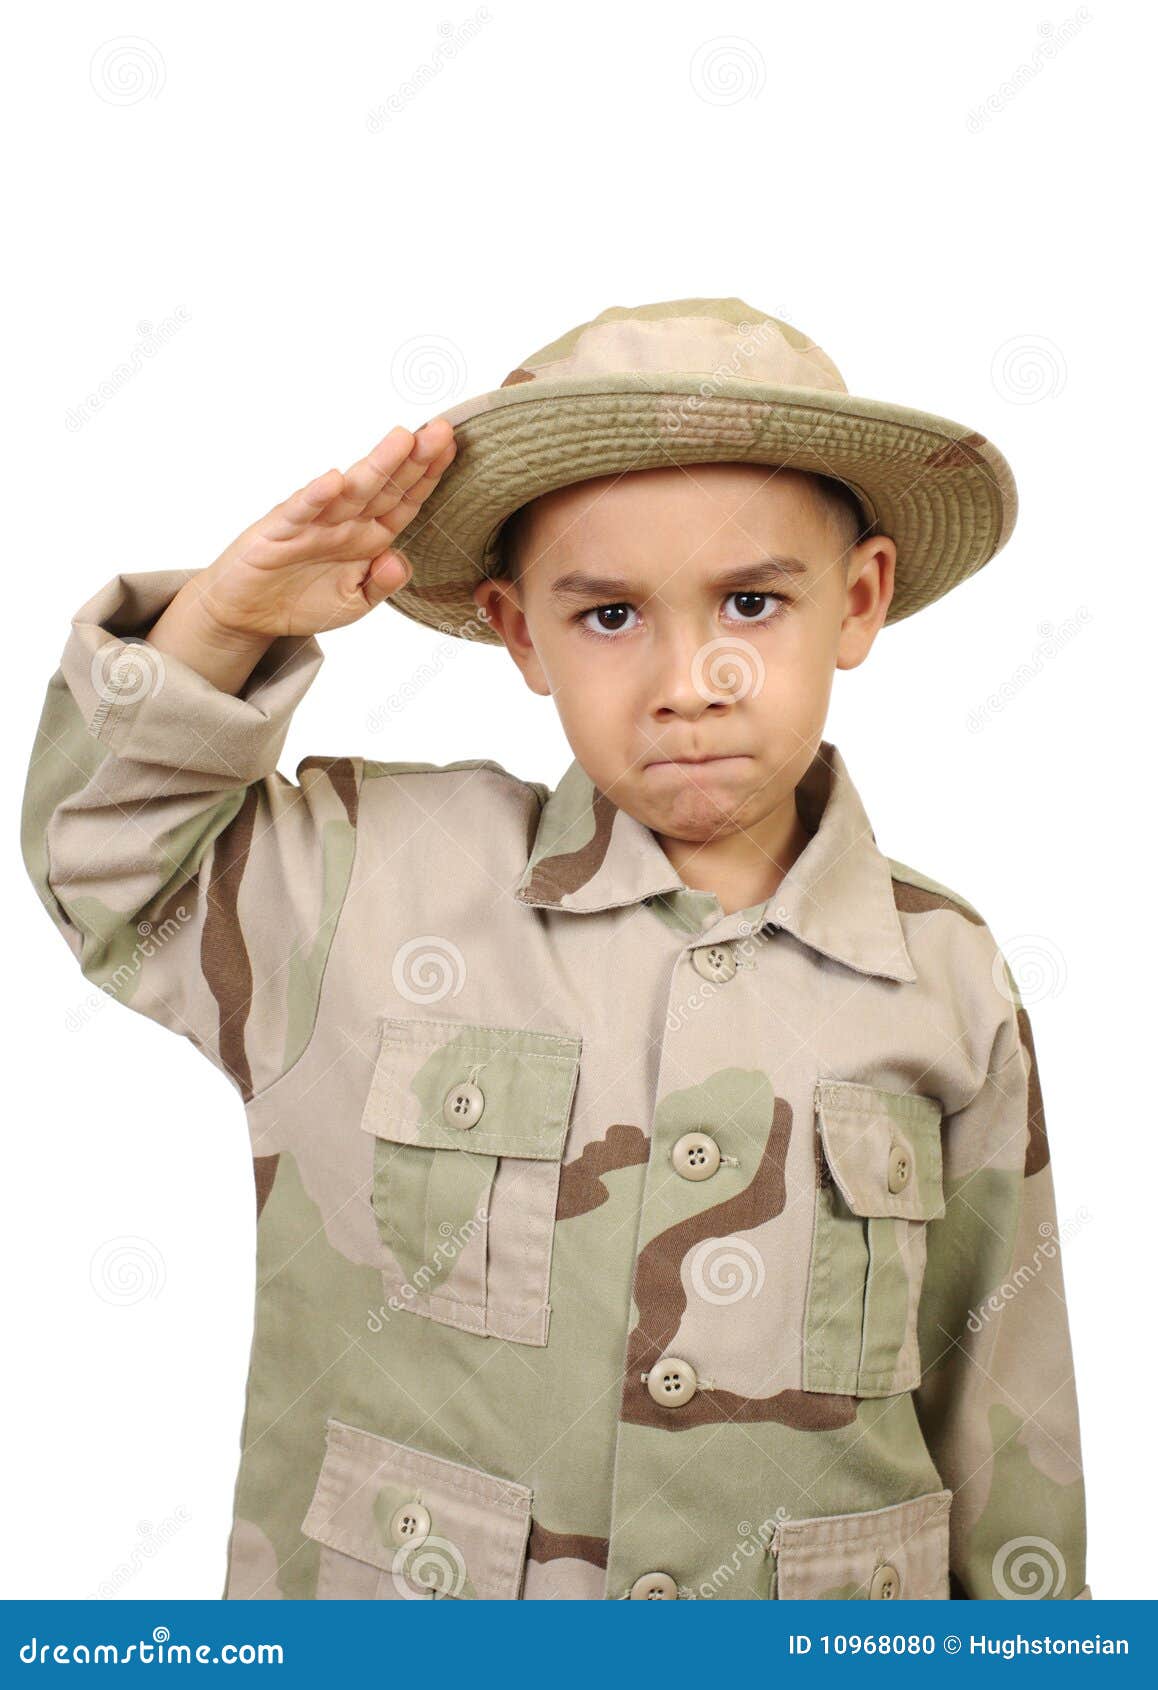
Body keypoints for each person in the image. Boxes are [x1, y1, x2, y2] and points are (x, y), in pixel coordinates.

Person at [20, 296, 1090, 1600]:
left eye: (751, 602)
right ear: (518, 629)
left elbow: (1002, 1407)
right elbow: (111, 864)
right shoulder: (364, 880)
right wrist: (223, 624)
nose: (690, 679)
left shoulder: (944, 972)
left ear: (857, 601)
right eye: (607, 616)